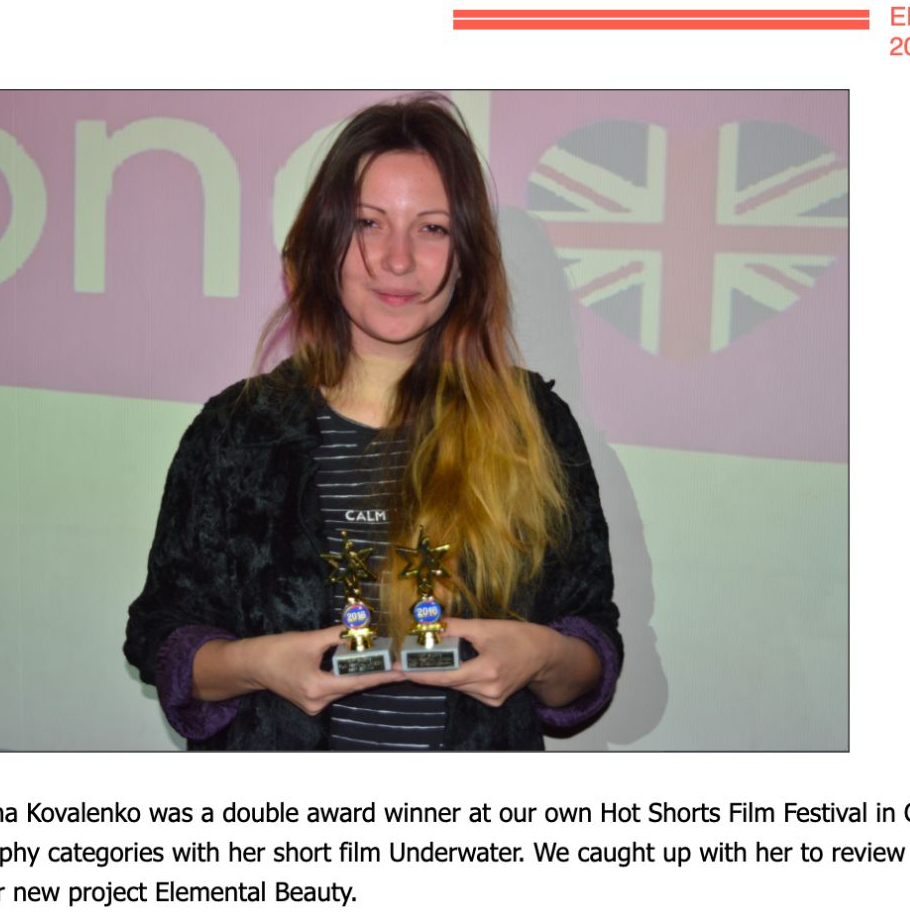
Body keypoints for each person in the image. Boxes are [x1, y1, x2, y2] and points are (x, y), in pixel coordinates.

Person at [124, 95, 620, 749]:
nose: (397, 260)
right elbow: (161, 636)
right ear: (326, 239)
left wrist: (542, 656)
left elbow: (592, 649)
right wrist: (257, 664)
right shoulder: (235, 432)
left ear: (467, 256)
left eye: (433, 228)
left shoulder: (534, 427)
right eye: (368, 223)